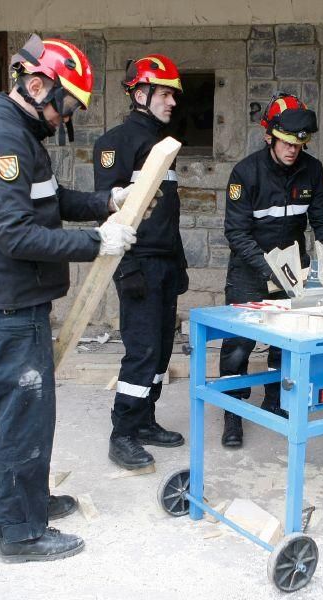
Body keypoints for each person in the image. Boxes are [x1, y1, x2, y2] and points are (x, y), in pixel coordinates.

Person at [0, 35, 138, 562]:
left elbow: (50, 202)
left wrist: (107, 201)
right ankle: (19, 533)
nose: (66, 117)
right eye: (67, 106)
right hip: (10, 303)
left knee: (36, 411)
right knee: (24, 417)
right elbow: (15, 234)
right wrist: (96, 242)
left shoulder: (20, 135)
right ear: (37, 85)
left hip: (23, 299)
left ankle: (33, 500)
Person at [219, 92, 323, 447]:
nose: (292, 150)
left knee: (284, 342)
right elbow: (235, 233)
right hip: (250, 269)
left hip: (294, 268)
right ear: (269, 135)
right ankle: (233, 413)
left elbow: (322, 220)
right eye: (286, 142)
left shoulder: (312, 170)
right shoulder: (246, 173)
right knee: (239, 344)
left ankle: (276, 401)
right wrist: (269, 269)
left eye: (299, 144)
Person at [93, 54, 187, 470]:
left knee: (161, 351)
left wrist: (179, 263)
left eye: (173, 95)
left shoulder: (164, 145)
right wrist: (126, 268)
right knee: (141, 351)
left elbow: (169, 211)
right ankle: (123, 433)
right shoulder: (116, 143)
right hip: (139, 266)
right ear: (141, 93)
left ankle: (146, 420)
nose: (172, 102)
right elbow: (108, 213)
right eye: (165, 93)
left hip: (164, 263)